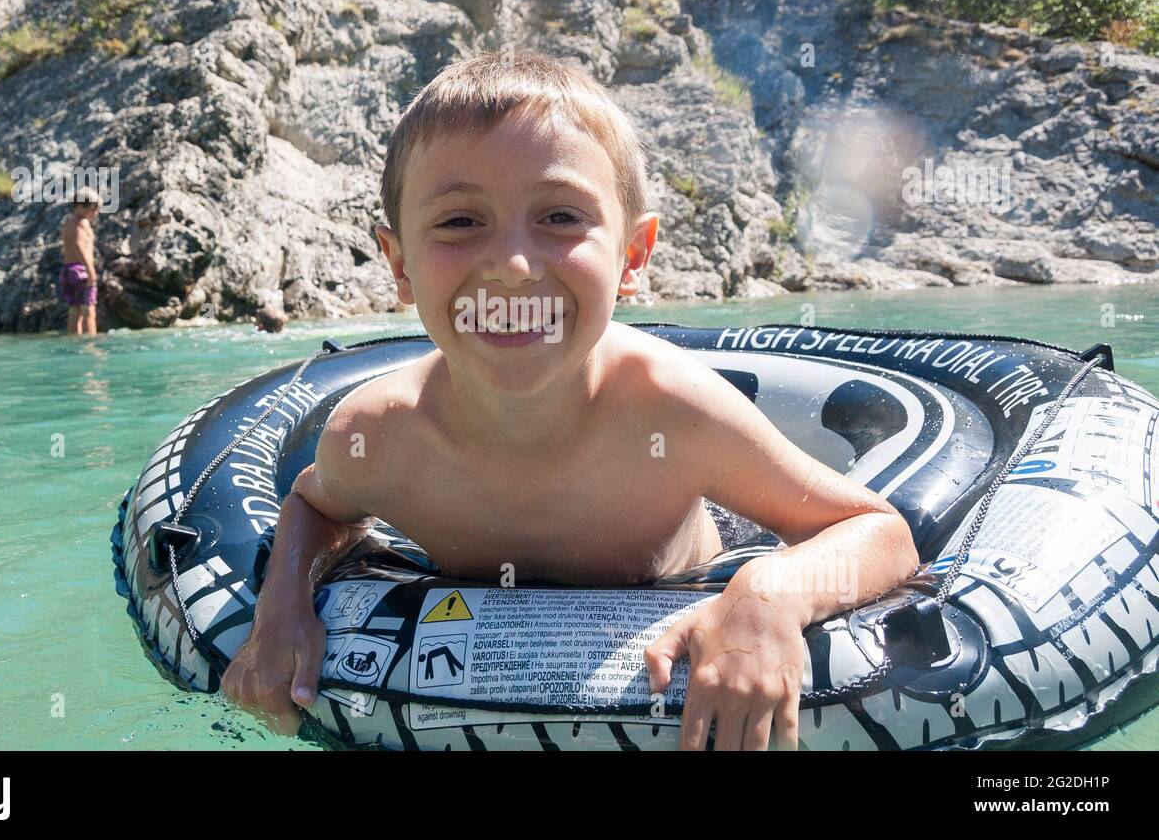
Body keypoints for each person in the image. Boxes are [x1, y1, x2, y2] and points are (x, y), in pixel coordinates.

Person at [221, 51, 920, 750]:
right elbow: (315, 506)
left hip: (693, 567)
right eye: (461, 222)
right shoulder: (381, 433)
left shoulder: (673, 413)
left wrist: (767, 596)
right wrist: (283, 604)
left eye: (560, 216)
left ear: (633, 256)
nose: (515, 267)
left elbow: (879, 532)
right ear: (399, 263)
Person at [59, 187, 100, 335]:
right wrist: (90, 272)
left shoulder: (68, 221)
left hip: (67, 270)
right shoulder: (82, 223)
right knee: (89, 311)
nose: (96, 213)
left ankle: (74, 345)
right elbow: (78, 245)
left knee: (74, 310)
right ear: (83, 206)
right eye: (94, 208)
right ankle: (91, 346)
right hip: (80, 271)